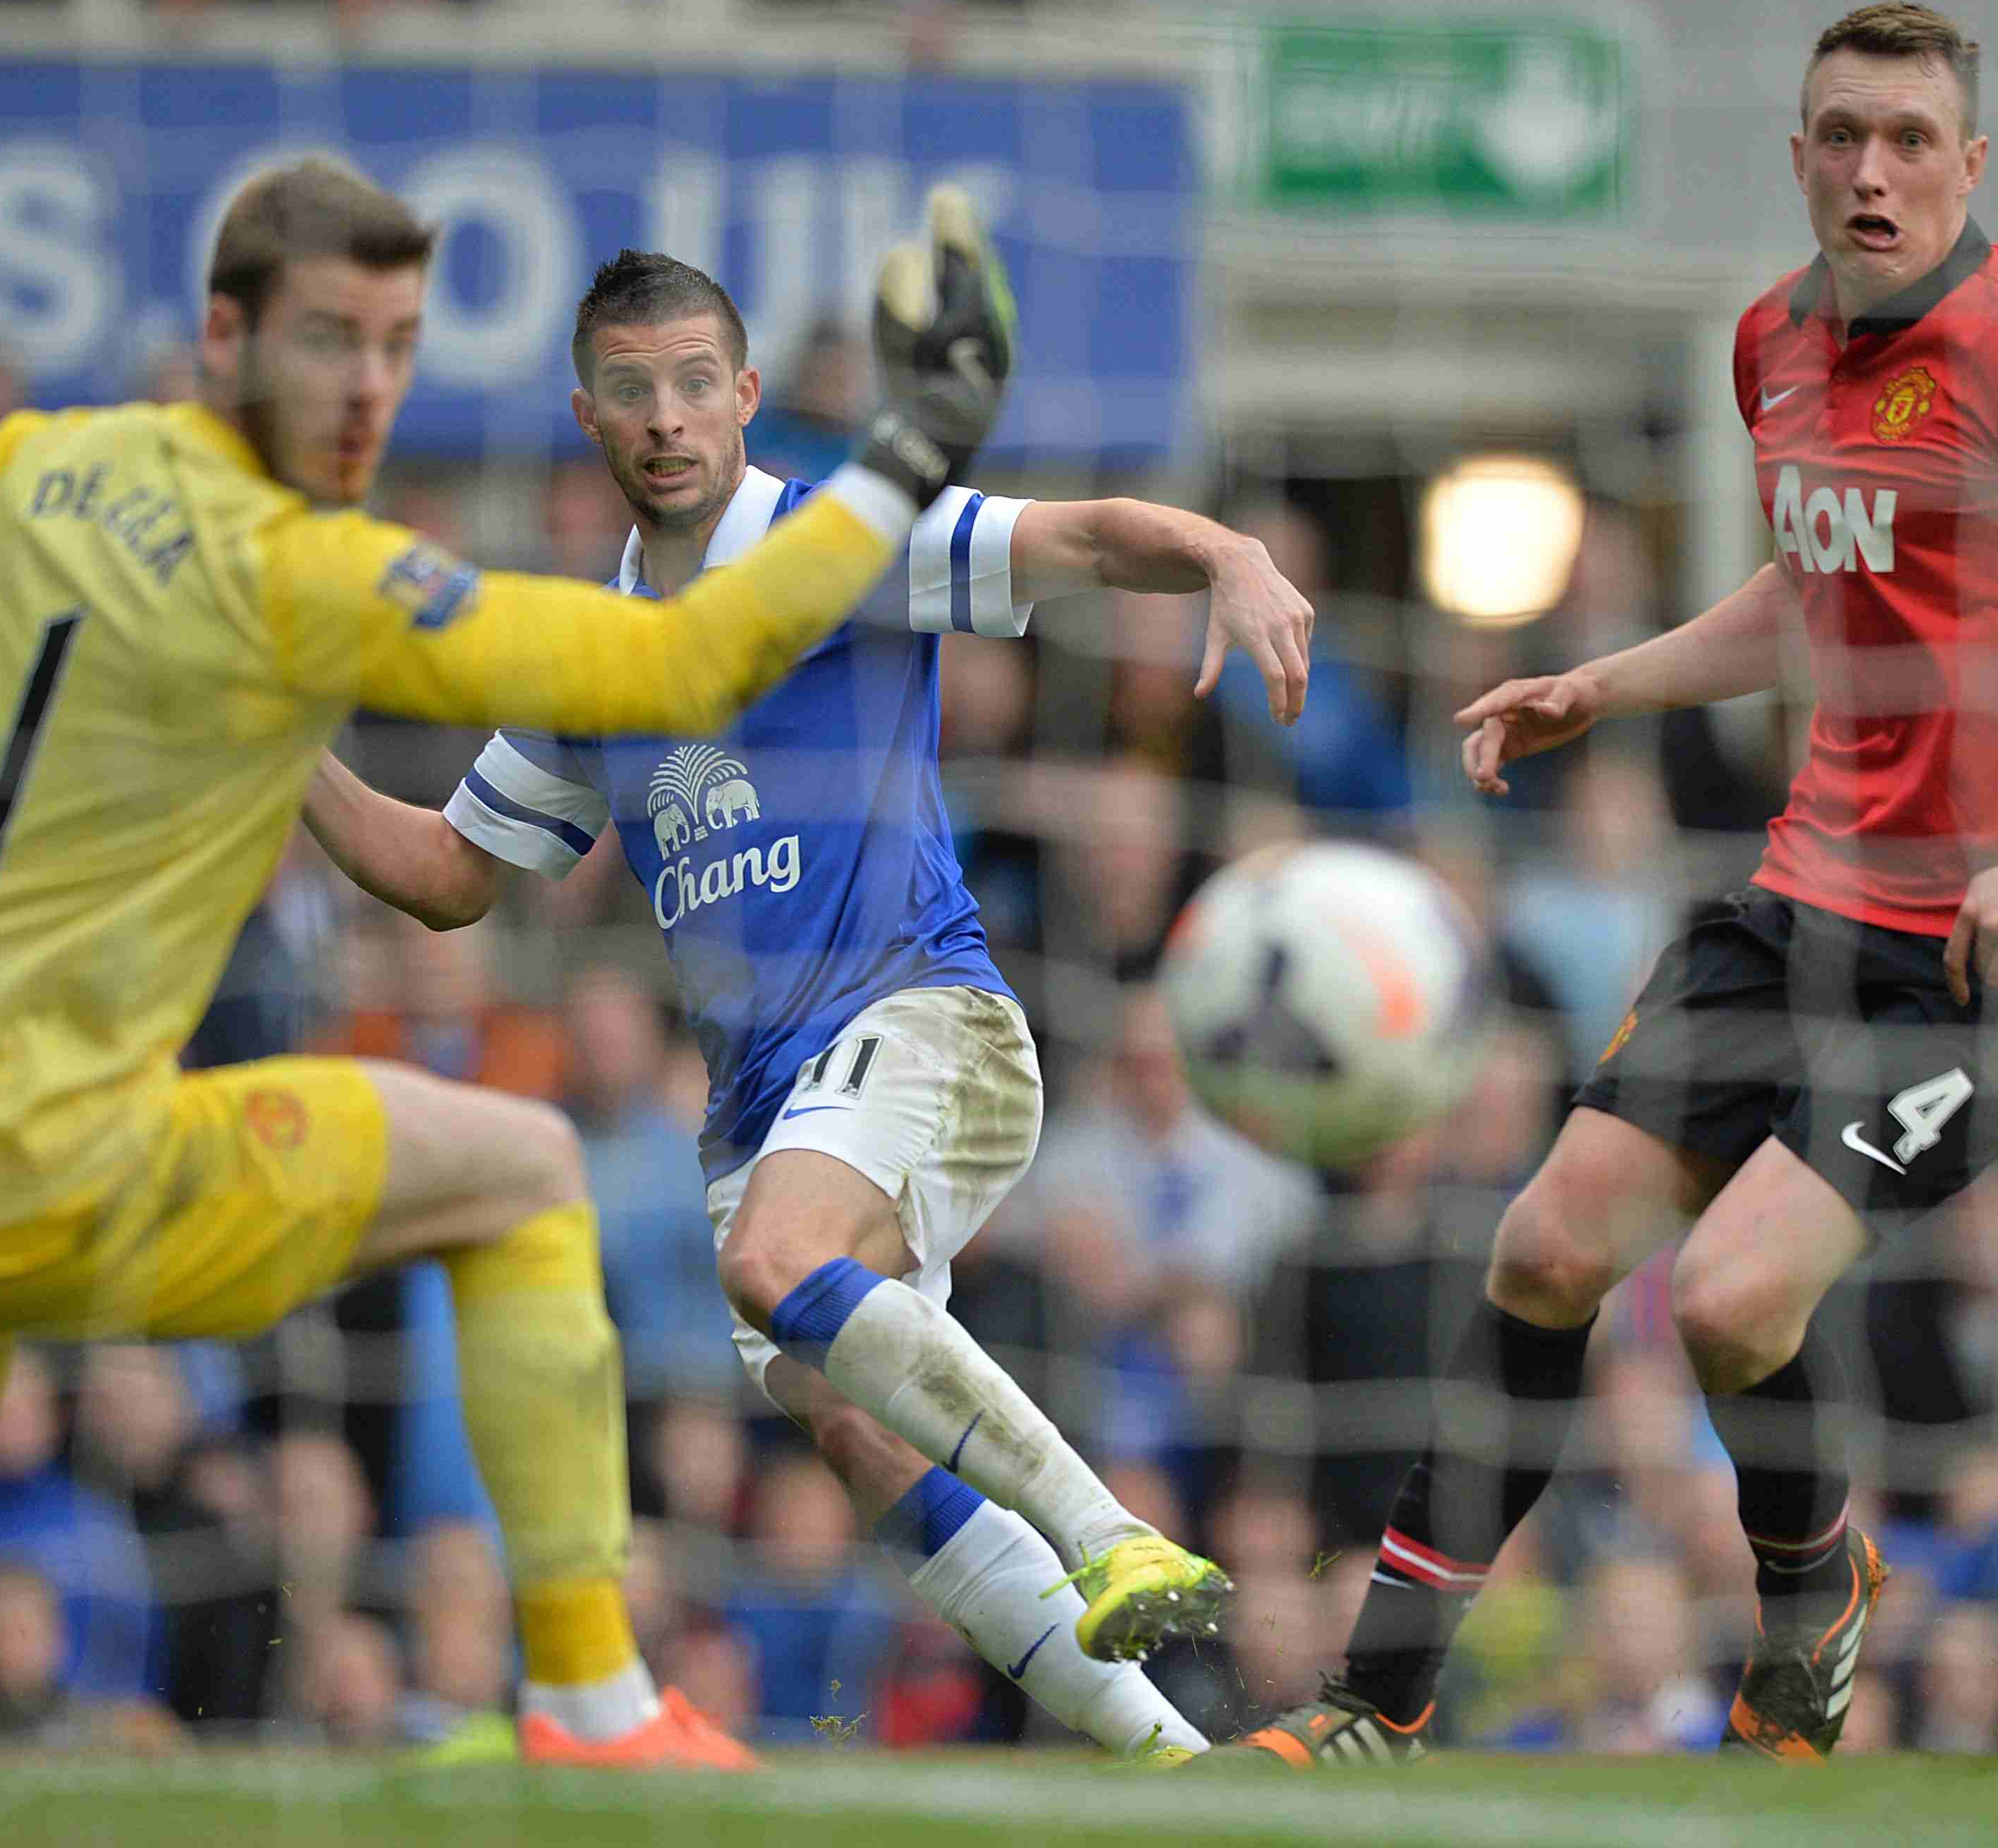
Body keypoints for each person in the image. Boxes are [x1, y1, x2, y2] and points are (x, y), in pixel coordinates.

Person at [0, 160, 1023, 1772]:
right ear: (226, 336)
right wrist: (910, 450)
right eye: (330, 340)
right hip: (31, 1147)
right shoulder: (310, 575)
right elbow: (687, 658)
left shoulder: (43, 464)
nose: (368, 386)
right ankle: (598, 1708)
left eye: (394, 344)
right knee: (525, 1170)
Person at [1233, 0, 1998, 1769]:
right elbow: (1817, 589)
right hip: (1800, 904)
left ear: (1969, 163)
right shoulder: (1770, 342)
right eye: (1841, 136)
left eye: (1909, 140)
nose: (1872, 171)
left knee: (1727, 1302)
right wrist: (1602, 684)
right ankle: (1376, 1699)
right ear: (1798, 155)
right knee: (1544, 1248)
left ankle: (1812, 1598)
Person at [301, 245, 1314, 1758]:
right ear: (588, 417)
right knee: (854, 1427)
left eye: (693, 383)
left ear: (746, 396)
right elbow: (449, 874)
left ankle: (1111, 1533)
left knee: (779, 1264)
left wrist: (1225, 551)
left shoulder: (840, 542)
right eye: (631, 390)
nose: (666, 417)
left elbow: (1090, 537)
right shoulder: (586, 658)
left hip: (926, 1023)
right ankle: (1183, 1765)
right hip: (758, 1113)